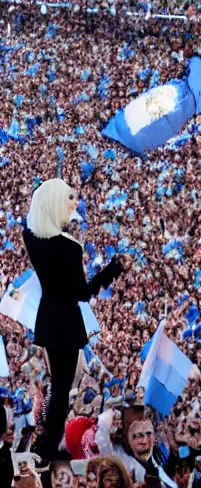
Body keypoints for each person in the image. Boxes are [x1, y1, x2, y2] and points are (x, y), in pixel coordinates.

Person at [22, 179, 127, 461]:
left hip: (47, 318)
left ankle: (45, 438)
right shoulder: (69, 247)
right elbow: (82, 294)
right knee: (61, 388)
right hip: (66, 323)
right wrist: (110, 271)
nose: (73, 207)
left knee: (57, 385)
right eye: (69, 201)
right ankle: (47, 448)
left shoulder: (30, 237)